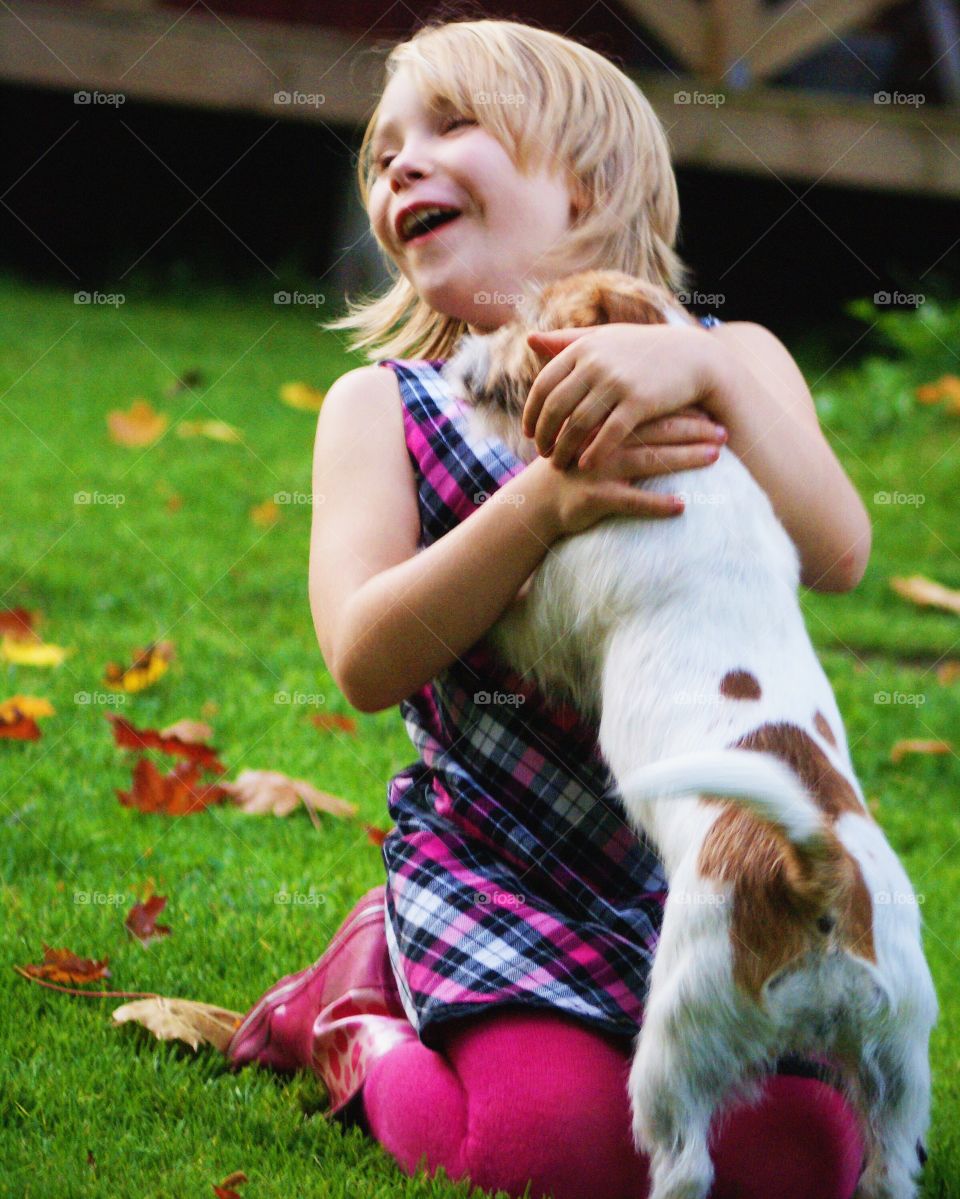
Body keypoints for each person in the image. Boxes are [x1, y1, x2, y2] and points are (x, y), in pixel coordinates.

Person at [227, 18, 875, 1199]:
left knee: (807, 1159)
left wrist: (713, 370)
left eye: (452, 127)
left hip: (711, 874)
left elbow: (840, 550)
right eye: (383, 154)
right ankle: (355, 1006)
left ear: (594, 182)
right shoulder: (388, 408)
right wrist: (542, 508)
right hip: (499, 866)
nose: (398, 167)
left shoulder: (738, 363)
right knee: (547, 1152)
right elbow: (366, 661)